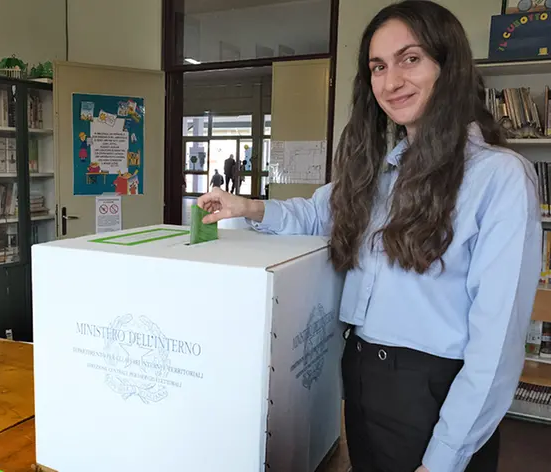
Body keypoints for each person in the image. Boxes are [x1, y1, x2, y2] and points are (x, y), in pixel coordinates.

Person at [198, 2, 540, 471]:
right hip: (360, 372)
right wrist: (248, 206)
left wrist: (444, 459)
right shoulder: (383, 173)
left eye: (410, 59)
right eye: (378, 66)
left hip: (435, 390)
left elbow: (496, 346)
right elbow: (319, 213)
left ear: (450, 65)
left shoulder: (499, 178)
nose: (391, 81)